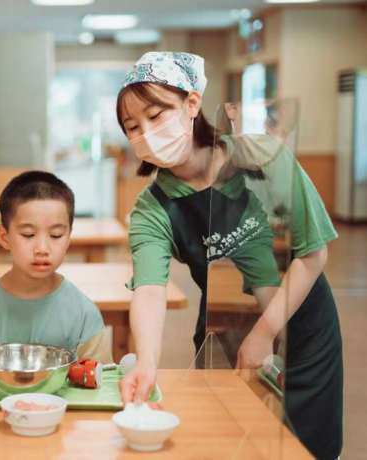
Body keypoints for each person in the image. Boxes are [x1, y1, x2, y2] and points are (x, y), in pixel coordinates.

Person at [116, 52, 342, 459]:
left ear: (191, 104)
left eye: (156, 115)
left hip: (304, 328)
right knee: (228, 441)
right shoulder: (152, 208)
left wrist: (265, 332)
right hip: (222, 331)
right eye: (133, 126)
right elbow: (149, 289)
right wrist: (147, 360)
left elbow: (312, 254)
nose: (146, 134)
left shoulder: (262, 159)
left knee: (308, 446)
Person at [0, 171, 112, 363]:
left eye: (56, 235)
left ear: (69, 237)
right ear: (4, 236)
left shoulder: (83, 313)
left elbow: (100, 381)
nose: (42, 249)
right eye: (28, 234)